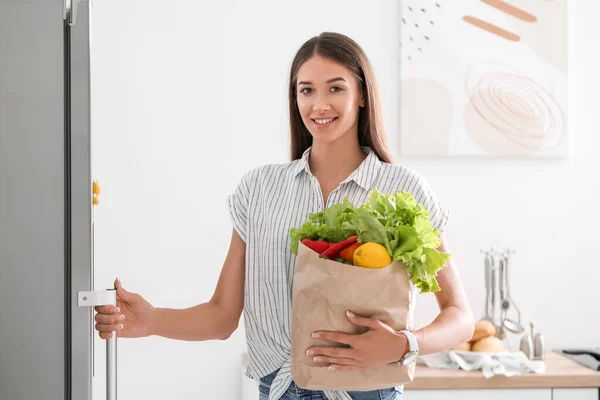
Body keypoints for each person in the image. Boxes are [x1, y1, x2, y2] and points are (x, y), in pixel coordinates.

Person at [94, 32, 474, 400]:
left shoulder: (402, 190)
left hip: (367, 392)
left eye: (336, 88)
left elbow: (459, 316)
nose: (319, 104)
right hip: (279, 390)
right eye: (306, 90)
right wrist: (151, 320)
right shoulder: (259, 189)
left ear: (362, 95)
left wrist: (404, 344)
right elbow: (223, 316)